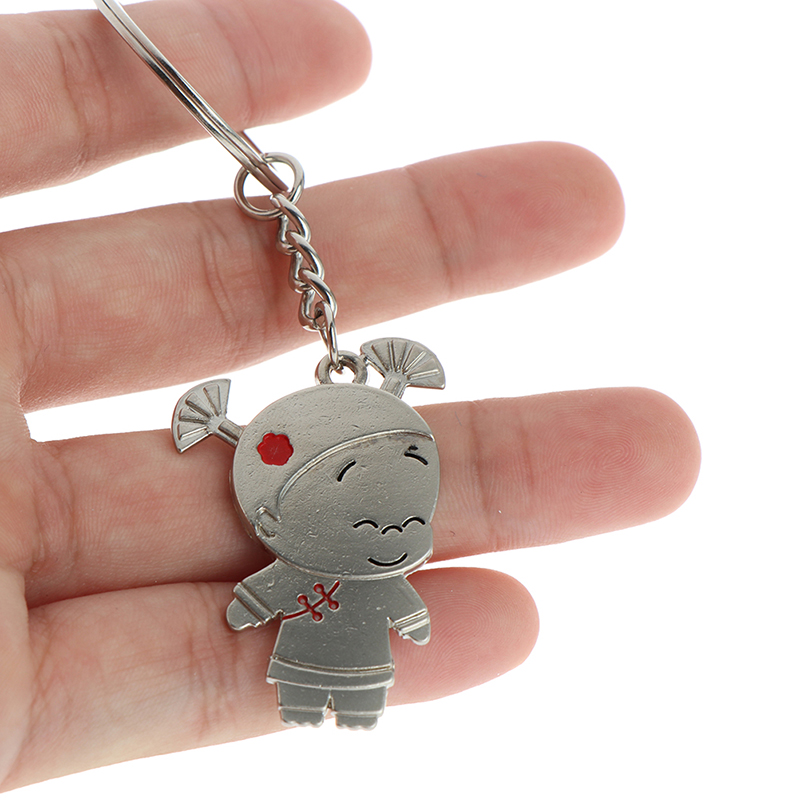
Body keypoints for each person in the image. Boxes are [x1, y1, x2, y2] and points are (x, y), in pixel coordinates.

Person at [0, 0, 700, 790]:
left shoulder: (366, 567)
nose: (395, 537)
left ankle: (354, 710)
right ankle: (324, 707)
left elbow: (374, 593)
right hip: (302, 654)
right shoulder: (302, 559)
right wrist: (264, 606)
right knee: (306, 697)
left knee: (357, 699)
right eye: (377, 524)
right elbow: (271, 591)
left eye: (398, 523)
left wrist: (406, 615)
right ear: (273, 519)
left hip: (361, 655)